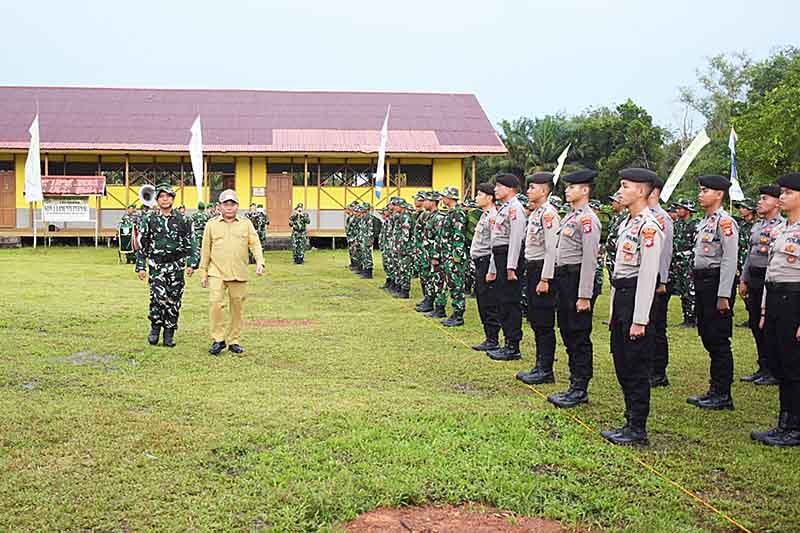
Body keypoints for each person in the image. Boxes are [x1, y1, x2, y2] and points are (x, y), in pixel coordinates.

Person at [602, 168, 664, 445]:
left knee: (636, 366)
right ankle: (629, 420)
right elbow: (619, 275)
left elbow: (649, 275)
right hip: (624, 297)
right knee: (622, 361)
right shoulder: (628, 223)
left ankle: (637, 428)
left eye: (625, 186)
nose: (620, 190)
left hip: (638, 299)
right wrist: (616, 312)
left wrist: (640, 319)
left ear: (641, 191)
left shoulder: (648, 226)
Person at [751, 172, 800, 447]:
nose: (782, 197)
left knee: (794, 365)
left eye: (788, 193)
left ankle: (795, 427)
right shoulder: (780, 229)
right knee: (780, 362)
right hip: (776, 299)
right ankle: (784, 422)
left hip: (795, 300)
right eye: (781, 193)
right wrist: (764, 311)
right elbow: (772, 272)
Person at [548, 170, 601, 408]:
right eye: (567, 187)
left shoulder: (588, 219)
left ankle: (580, 388)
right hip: (565, 279)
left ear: (585, 190)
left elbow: (590, 259)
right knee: (568, 332)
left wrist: (584, 295)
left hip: (577, 279)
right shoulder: (571, 216)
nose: (567, 190)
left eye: (572, 187)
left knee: (579, 335)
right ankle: (574, 384)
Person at [687, 175, 739, 411]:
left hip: (716, 283)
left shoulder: (725, 222)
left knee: (718, 339)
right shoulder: (705, 221)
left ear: (719, 194)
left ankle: (722, 393)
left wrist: (724, 295)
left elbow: (729, 259)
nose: (700, 194)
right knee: (707, 334)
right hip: (703, 283)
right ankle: (715, 389)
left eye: (705, 190)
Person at [198, 189, 265, 355]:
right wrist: (203, 271)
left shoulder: (245, 223)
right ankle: (218, 339)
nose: (229, 207)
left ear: (237, 206)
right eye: (225, 204)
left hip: (238, 271)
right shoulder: (211, 224)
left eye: (232, 204)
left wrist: (260, 261)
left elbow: (255, 243)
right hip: (216, 271)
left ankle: (234, 340)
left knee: (237, 307)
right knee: (215, 303)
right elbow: (205, 249)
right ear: (219, 206)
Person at [135, 183, 198, 348]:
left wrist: (192, 263)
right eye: (162, 196)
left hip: (176, 266)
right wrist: (141, 266)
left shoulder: (184, 220)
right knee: (157, 297)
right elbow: (142, 243)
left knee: (174, 299)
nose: (165, 199)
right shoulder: (149, 219)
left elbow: (191, 242)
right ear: (157, 199)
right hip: (157, 266)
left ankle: (169, 333)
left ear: (173, 199)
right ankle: (155, 328)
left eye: (168, 196)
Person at [516, 172, 561, 384]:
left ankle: (546, 370)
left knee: (543, 322)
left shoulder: (549, 214)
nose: (528, 191)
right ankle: (539, 365)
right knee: (535, 320)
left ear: (544, 191)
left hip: (543, 270)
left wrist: (545, 278)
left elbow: (552, 248)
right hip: (532, 269)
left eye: (532, 187)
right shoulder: (535, 213)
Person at [739, 185, 783, 385]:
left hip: (769, 278)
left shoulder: (781, 226)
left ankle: (774, 369)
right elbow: (750, 254)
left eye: (765, 199)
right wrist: (744, 279)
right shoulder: (756, 226)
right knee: (756, 323)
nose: (760, 202)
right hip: (754, 278)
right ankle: (763, 366)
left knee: (769, 326)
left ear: (776, 202)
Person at [485, 174, 527, 361]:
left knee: (510, 302)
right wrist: (494, 268)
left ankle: (513, 346)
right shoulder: (504, 208)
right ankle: (507, 342)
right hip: (501, 257)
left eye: (499, 186)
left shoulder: (515, 208)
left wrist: (511, 266)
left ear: (510, 189)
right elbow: (496, 241)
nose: (495, 189)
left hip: (510, 258)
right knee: (502, 301)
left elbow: (516, 238)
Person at [648, 177, 674, 388]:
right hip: (644, 278)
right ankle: (649, 366)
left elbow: (665, 252)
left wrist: (662, 280)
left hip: (657, 278)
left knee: (657, 326)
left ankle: (659, 371)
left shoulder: (662, 218)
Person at [470, 183, 502, 351]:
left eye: (479, 194)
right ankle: (489, 337)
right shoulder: (484, 216)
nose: (476, 198)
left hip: (486, 262)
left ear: (489, 198)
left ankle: (493, 339)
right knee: (482, 301)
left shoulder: (493, 217)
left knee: (489, 302)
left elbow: (494, 246)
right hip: (480, 262)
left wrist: (492, 269)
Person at [437, 187, 468, 326]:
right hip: (447, 255)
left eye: (444, 196)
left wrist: (457, 256)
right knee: (451, 284)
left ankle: (458, 315)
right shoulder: (450, 213)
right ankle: (455, 313)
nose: (442, 199)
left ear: (449, 198)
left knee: (457, 285)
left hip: (454, 257)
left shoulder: (457, 213)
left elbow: (458, 236)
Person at [671, 199, 698, 327]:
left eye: (680, 208)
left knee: (691, 291)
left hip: (689, 264)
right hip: (678, 263)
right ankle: (686, 317)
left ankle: (693, 319)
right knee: (683, 290)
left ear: (687, 210)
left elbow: (696, 246)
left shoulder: (695, 225)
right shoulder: (677, 225)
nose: (677, 210)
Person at [392, 199, 415, 299]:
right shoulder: (400, 216)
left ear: (401, 206)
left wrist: (401, 247)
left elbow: (405, 235)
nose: (394, 207)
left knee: (405, 269)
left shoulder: (405, 217)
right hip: (399, 247)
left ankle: (405, 291)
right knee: (400, 268)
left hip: (405, 248)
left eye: (396, 205)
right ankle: (401, 288)